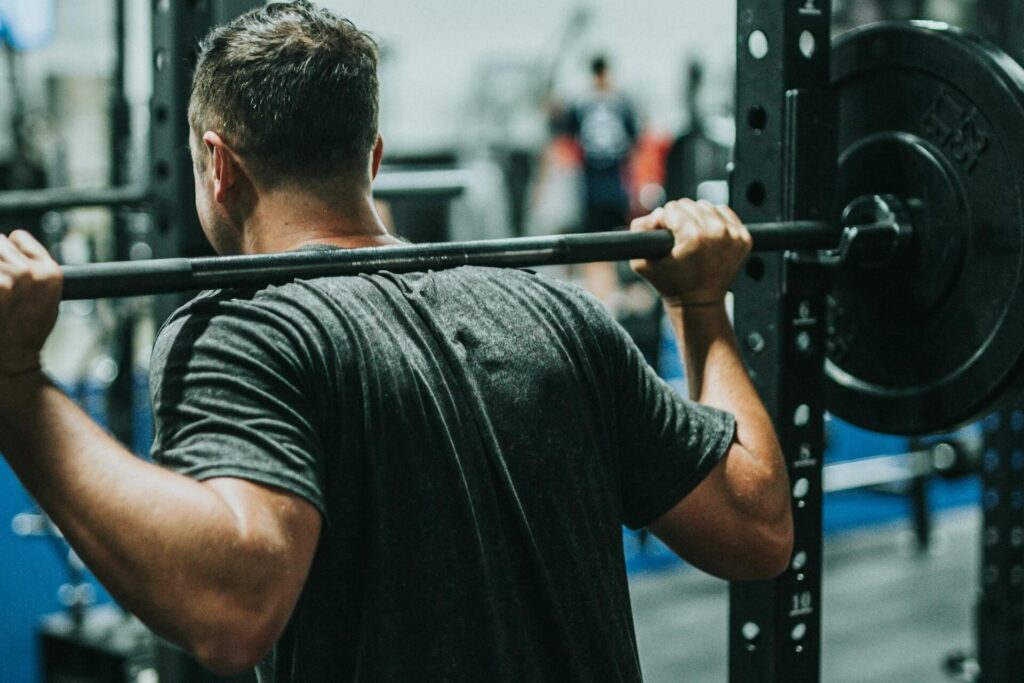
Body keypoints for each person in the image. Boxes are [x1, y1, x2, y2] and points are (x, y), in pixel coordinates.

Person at [0, 3, 792, 681]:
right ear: (372, 158)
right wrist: (700, 302)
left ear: (218, 165)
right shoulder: (560, 315)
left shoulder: (245, 330)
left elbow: (232, 608)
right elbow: (759, 530)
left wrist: (17, 384)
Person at [564, 54, 639, 306]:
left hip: (598, 184)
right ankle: (604, 295)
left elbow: (568, 141)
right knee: (606, 242)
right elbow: (633, 145)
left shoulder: (581, 104)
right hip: (609, 184)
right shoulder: (621, 103)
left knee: (599, 243)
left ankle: (602, 295)